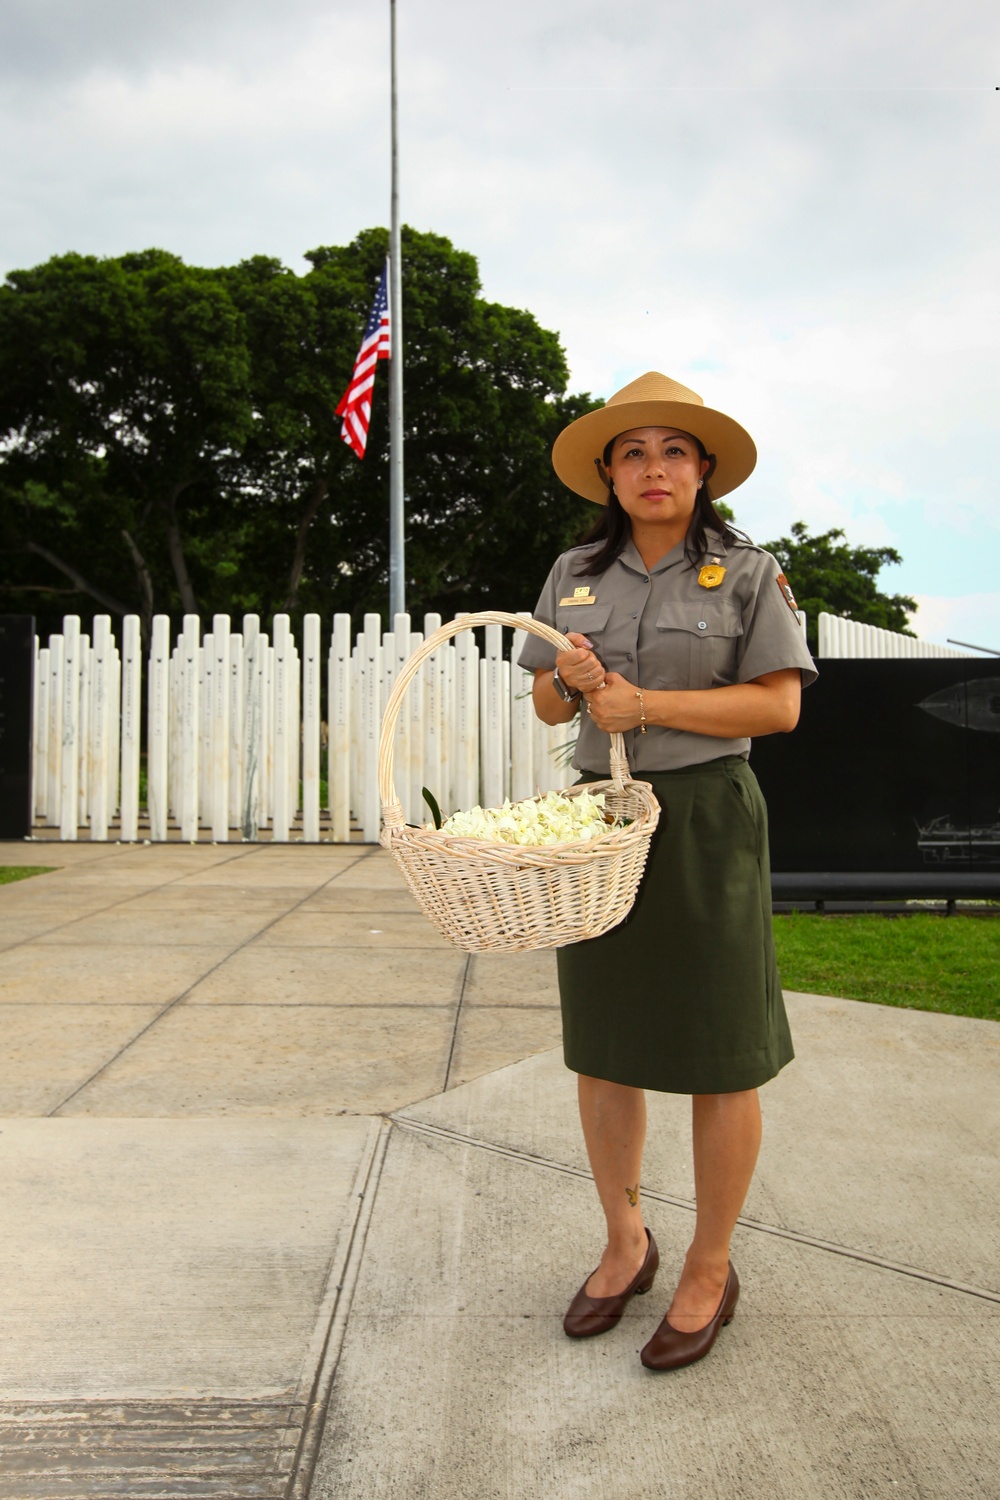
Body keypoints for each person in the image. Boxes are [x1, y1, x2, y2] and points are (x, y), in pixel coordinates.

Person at [518, 371, 817, 1371]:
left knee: (719, 1051)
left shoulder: (745, 572)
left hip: (702, 818)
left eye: (673, 452)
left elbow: (777, 708)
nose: (653, 468)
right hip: (598, 826)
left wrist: (646, 706)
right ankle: (624, 1242)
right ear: (607, 473)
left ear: (703, 471)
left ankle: (709, 1264)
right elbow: (548, 709)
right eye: (633, 453)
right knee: (603, 1046)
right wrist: (571, 683)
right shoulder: (571, 571)